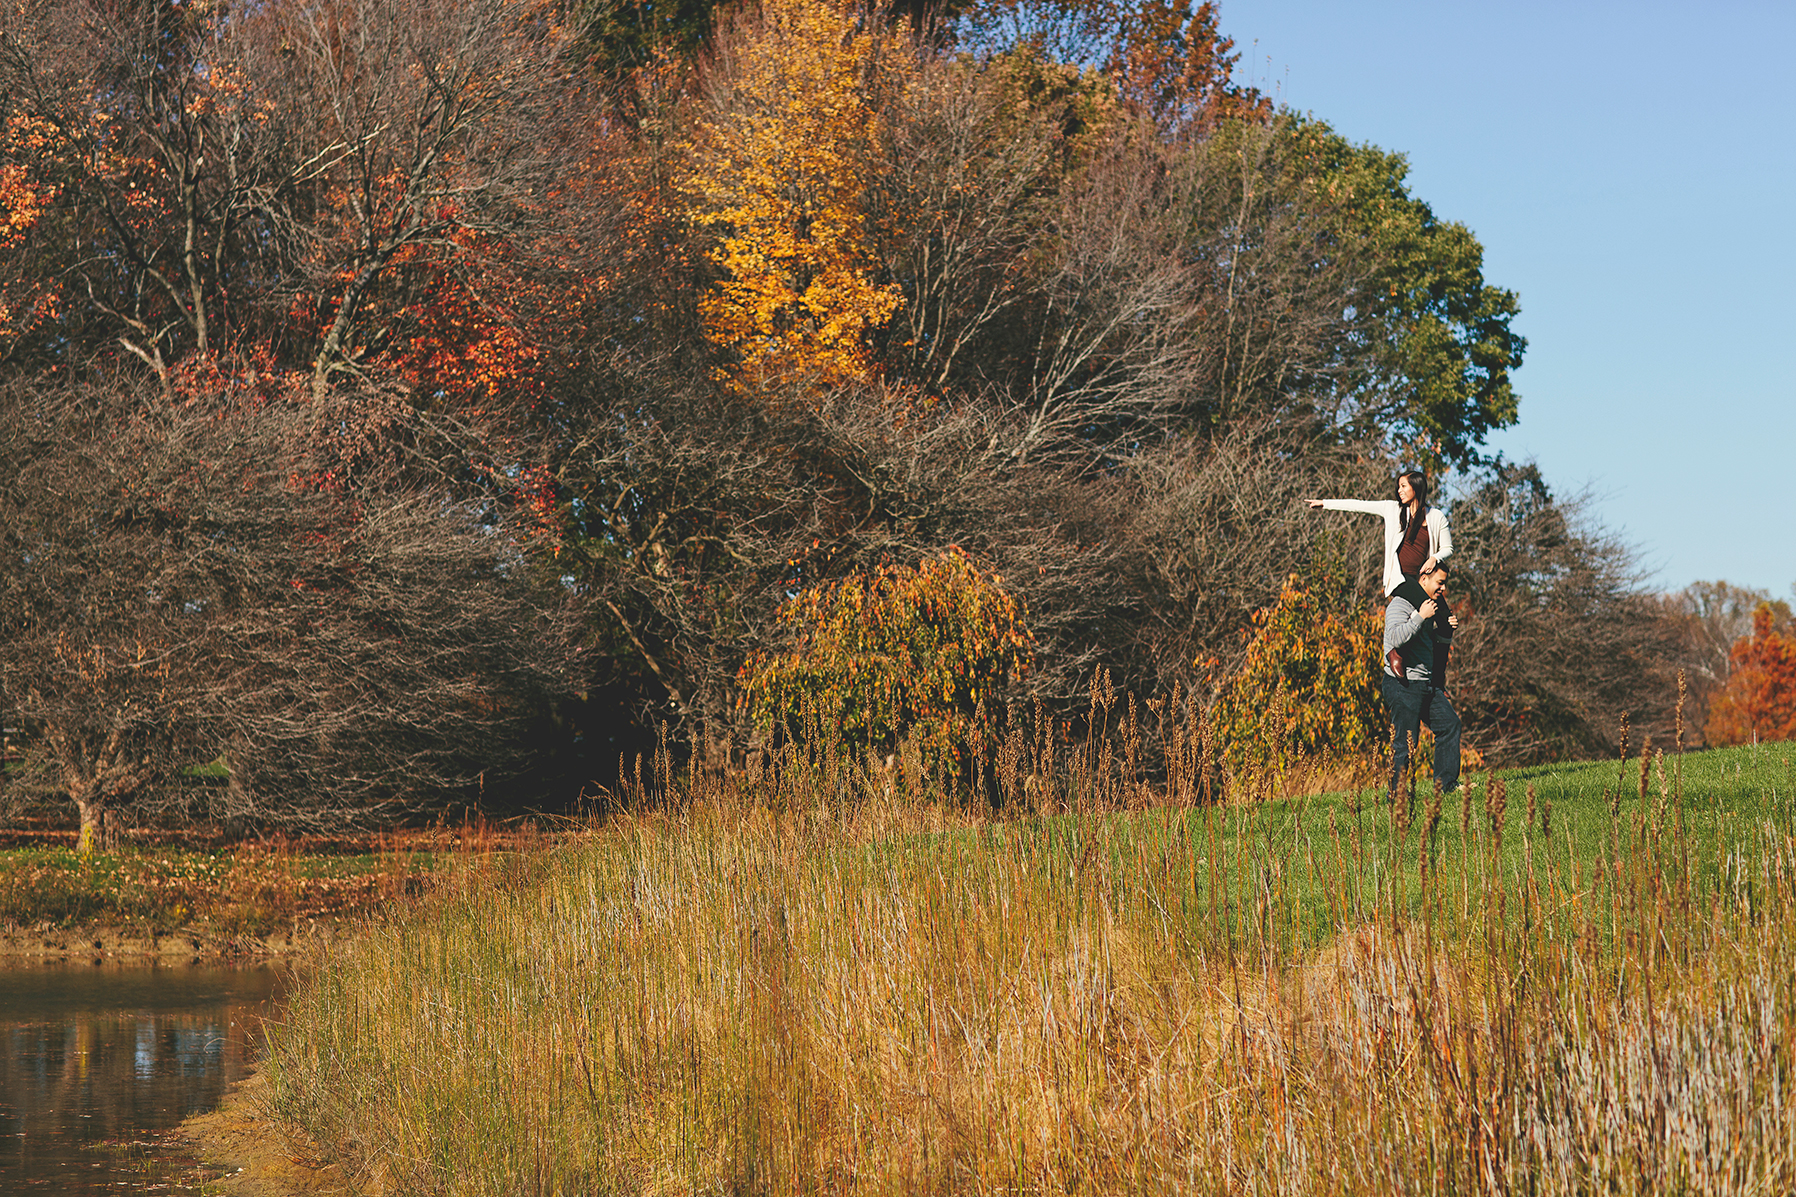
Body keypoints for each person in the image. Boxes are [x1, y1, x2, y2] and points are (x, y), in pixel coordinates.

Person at [1306, 470, 1452, 597]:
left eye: (1403, 486)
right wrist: (1325, 503)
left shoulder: (1436, 516)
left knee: (1447, 619)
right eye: (1398, 487)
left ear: (1416, 487)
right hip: (1400, 579)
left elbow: (1448, 548)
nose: (1399, 490)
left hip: (1423, 580)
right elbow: (1358, 505)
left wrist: (1434, 558)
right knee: (1428, 605)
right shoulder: (1392, 509)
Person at [1383, 560, 1461, 795]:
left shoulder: (1432, 607)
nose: (1443, 589)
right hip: (1403, 684)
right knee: (1406, 743)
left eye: (1445, 584)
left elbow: (1426, 644)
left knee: (1449, 725)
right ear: (1424, 578)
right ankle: (1396, 795)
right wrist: (1419, 616)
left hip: (1426, 684)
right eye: (1440, 583)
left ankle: (1445, 786)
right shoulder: (1400, 604)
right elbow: (1394, 638)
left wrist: (1445, 630)